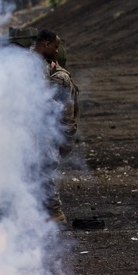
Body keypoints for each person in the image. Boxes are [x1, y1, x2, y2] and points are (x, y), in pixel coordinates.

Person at [32, 28, 79, 222]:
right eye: (55, 47)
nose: (57, 51)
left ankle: (54, 212)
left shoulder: (59, 77)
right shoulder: (41, 66)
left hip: (53, 130)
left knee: (43, 169)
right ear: (46, 44)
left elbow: (47, 104)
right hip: (45, 128)